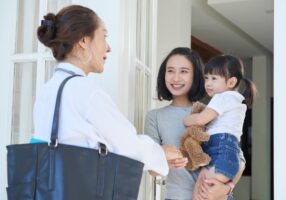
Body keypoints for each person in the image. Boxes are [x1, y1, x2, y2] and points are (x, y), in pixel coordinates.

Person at [33, 4, 182, 182]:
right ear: (83, 41)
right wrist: (161, 153)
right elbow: (127, 145)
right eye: (104, 36)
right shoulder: (86, 92)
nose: (108, 47)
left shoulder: (48, 89)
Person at [145, 48, 245, 200]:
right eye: (170, 71)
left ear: (196, 76)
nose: (176, 78)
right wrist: (165, 158)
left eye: (184, 71)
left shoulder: (209, 112)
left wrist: (227, 189)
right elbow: (152, 170)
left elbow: (239, 160)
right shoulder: (155, 117)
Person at [183, 55, 256, 200]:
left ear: (231, 81)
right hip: (227, 153)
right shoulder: (236, 101)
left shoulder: (222, 97)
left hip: (220, 150)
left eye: (214, 79)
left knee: (202, 194)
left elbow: (201, 119)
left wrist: (187, 119)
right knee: (203, 194)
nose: (208, 83)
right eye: (206, 78)